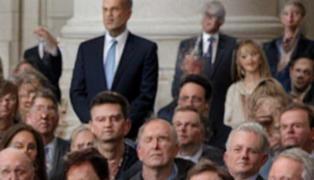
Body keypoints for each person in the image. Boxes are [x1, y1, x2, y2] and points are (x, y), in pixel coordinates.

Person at [68, 0, 159, 138]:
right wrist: (95, 122)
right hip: (94, 133)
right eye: (105, 10)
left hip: (130, 134)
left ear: (128, 14)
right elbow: (77, 91)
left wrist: (121, 123)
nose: (109, 15)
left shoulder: (145, 49)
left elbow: (146, 95)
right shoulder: (87, 49)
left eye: (114, 10)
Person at [171, 2, 235, 141]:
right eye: (207, 15)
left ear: (222, 21)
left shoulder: (232, 45)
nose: (210, 20)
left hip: (220, 112)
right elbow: (177, 84)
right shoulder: (187, 44)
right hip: (191, 112)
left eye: (215, 17)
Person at [263, 2, 314, 92]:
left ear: (302, 19)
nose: (290, 18)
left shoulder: (311, 46)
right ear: (281, 18)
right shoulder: (270, 46)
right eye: (286, 14)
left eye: (295, 14)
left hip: (298, 95)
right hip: (273, 93)